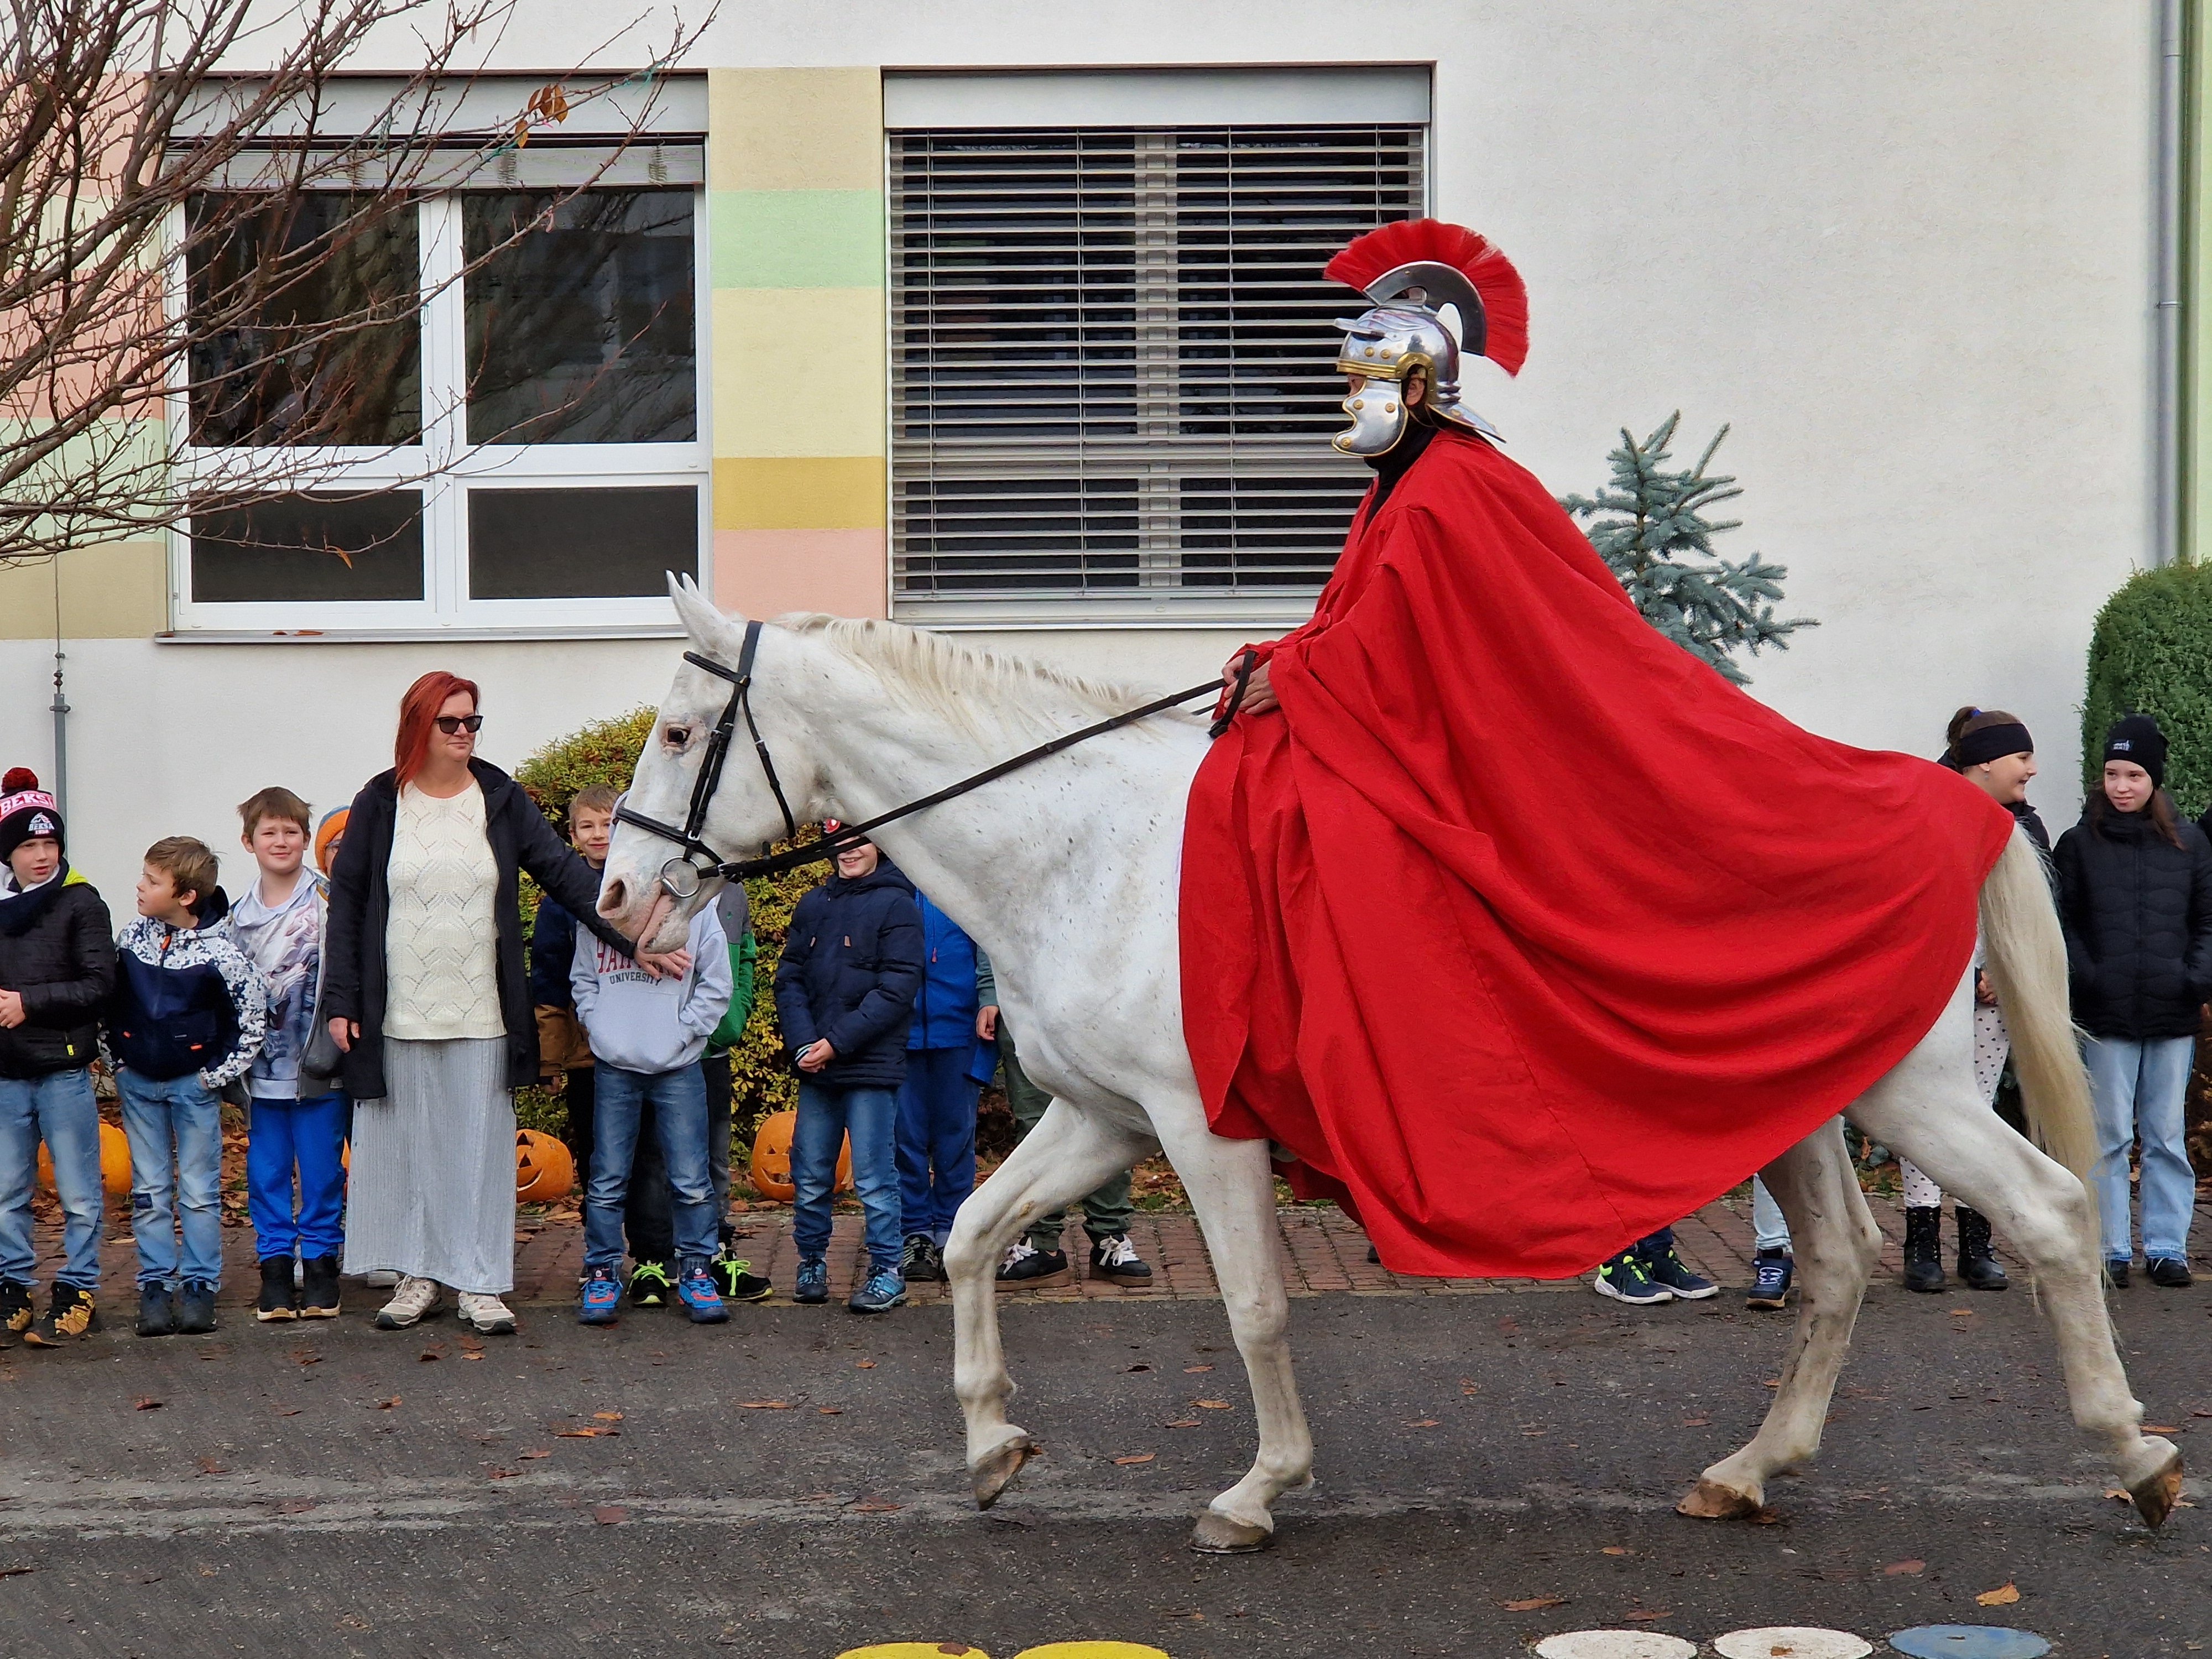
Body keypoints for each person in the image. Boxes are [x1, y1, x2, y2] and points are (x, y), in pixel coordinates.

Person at [1182, 218, 2020, 1281]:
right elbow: (1355, 626)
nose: (1349, 406)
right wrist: (1280, 662)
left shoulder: (1459, 489)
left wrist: (1295, 678)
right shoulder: (1393, 496)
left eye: (1364, 385)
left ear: (1415, 388)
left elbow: (1422, 651)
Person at [325, 672, 670, 1335]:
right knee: (411, 1148)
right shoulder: (380, 801)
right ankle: (418, 1276)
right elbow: (350, 905)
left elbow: (567, 877)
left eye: (472, 722)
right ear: (418, 725)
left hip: (483, 1008)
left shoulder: (499, 798)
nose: (463, 733)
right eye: (450, 722)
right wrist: (342, 998)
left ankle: (480, 1282)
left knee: (479, 1152)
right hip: (399, 1008)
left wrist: (632, 940)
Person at [1895, 708, 2049, 1293]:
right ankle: (1921, 1240)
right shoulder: (1932, 814)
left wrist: (2005, 975)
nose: (2032, 769)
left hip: (1992, 996)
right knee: (1928, 1115)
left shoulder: (2024, 827)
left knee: (1979, 1113)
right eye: (2022, 757)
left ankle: (1976, 1243)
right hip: (1940, 989)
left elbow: (2037, 917)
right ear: (1985, 760)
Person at [2056, 714, 2212, 1289]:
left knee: (2167, 1135)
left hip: (2170, 1012)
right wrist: (2087, 976)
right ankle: (2110, 1247)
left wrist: (2193, 979)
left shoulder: (2190, 843)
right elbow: (2063, 920)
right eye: (2111, 773)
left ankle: (2167, 1247)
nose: (2121, 786)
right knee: (2108, 1136)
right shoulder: (2079, 844)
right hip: (2107, 1014)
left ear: (2154, 778)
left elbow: (2207, 921)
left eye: (2134, 775)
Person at [108, 836, 267, 1339]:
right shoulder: (130, 940)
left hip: (191, 1087)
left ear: (186, 896)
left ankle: (200, 1284)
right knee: (151, 1189)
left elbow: (252, 1018)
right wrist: (118, 1063)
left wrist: (213, 1077)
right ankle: (156, 1282)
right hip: (138, 1086)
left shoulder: (221, 954)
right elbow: (108, 1004)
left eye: (153, 881)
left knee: (198, 1192)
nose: (140, 886)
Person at [571, 871, 733, 1326]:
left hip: (678, 1067)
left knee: (691, 1180)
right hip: (614, 1066)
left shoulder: (697, 912)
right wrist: (599, 1028)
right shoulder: (603, 911)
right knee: (606, 1181)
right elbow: (583, 980)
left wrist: (685, 1034)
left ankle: (697, 1270)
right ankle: (602, 1271)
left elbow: (717, 983)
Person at [772, 827, 923, 1314]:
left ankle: (887, 1270)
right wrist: (803, 1043)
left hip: (869, 1067)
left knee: (876, 1178)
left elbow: (896, 991)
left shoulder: (898, 906)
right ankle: (811, 1262)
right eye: (839, 842)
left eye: (860, 839)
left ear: (880, 844)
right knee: (812, 1173)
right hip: (816, 1065)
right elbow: (789, 978)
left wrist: (835, 1044)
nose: (849, 850)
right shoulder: (813, 904)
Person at [0, 771, 115, 1348]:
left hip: (63, 1069)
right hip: (7, 1073)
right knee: (7, 1189)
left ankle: (78, 1286)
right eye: (28, 846)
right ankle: (13, 1286)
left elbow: (99, 985)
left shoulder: (82, 904)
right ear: (9, 855)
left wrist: (29, 1003)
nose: (42, 856)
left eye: (50, 845)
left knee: (77, 1192)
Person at [626, 877, 770, 1304]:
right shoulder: (652, 884)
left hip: (711, 1052)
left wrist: (733, 1017)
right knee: (652, 1158)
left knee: (712, 1158)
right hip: (662, 1051)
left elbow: (744, 958)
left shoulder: (734, 890)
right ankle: (653, 1258)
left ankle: (714, 1251)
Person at [232, 786, 347, 1322]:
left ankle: (323, 1264)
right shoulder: (234, 920)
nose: (281, 841)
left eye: (291, 832)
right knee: (268, 1171)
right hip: (262, 1074)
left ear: (306, 839)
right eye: (269, 832)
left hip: (319, 1066)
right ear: (249, 841)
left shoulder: (330, 904)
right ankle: (276, 1266)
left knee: (323, 1171)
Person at [980, 952, 1155, 1289]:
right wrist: (990, 994)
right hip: (1026, 1015)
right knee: (1034, 1128)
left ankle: (1110, 1238)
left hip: (1095, 1015)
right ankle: (1041, 1245)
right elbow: (993, 931)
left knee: (1112, 1124)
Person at [895, 889, 994, 1284]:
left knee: (956, 1139)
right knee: (906, 1139)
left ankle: (951, 1228)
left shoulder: (958, 883)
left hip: (959, 1030)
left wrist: (988, 998)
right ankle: (915, 1232)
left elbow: (988, 945)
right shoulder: (892, 885)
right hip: (900, 1034)